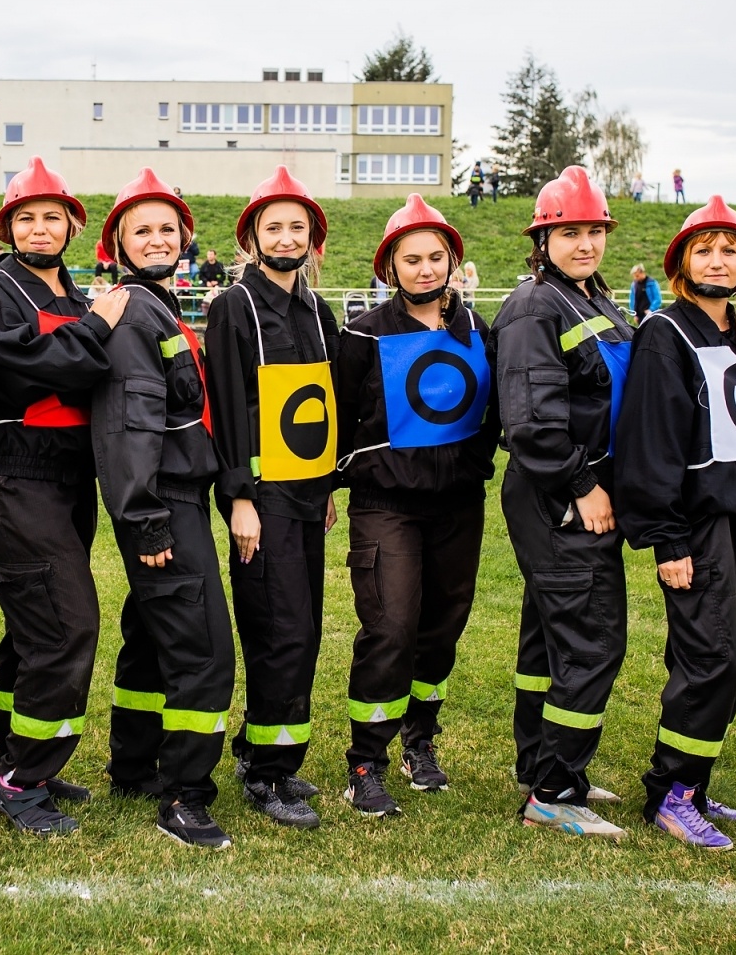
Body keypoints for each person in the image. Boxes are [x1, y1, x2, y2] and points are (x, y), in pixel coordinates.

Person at [616, 196, 736, 850]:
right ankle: (670, 794)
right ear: (681, 264)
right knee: (711, 658)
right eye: (704, 248)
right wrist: (665, 538)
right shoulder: (665, 335)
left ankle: (695, 785)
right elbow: (650, 443)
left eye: (729, 249)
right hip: (697, 527)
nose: (718, 259)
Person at [0, 156, 127, 837]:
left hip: (70, 478)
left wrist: (74, 346)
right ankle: (22, 778)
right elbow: (25, 370)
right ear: (10, 226)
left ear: (71, 224)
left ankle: (14, 756)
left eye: (52, 216)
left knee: (30, 629)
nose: (40, 227)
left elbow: (83, 370)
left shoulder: (70, 292)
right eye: (27, 217)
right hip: (16, 475)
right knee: (68, 626)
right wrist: (91, 335)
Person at [335, 195, 499, 818]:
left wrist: (476, 467)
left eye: (436, 257)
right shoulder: (364, 332)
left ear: (453, 261)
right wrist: (332, 486)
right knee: (391, 626)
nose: (426, 269)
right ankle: (365, 763)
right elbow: (337, 418)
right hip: (386, 504)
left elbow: (492, 415)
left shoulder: (477, 330)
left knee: (442, 627)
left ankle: (420, 741)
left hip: (459, 502)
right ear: (390, 266)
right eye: (412, 259)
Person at [94, 167, 237, 849]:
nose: (157, 238)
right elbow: (131, 423)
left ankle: (133, 764)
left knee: (153, 640)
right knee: (204, 650)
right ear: (118, 244)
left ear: (185, 237)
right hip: (165, 503)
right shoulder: (134, 312)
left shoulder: (158, 305)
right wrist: (146, 517)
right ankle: (185, 795)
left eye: (166, 228)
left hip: (175, 498)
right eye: (140, 229)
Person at [490, 165, 633, 841]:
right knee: (592, 636)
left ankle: (544, 767)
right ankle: (552, 790)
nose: (584, 243)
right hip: (562, 494)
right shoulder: (535, 306)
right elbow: (531, 421)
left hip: (576, 488)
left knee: (550, 636)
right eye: (569, 232)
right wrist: (584, 486)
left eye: (593, 231)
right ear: (542, 239)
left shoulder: (591, 298)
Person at [205, 165, 339, 830]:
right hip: (262, 496)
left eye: (297, 226)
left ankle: (266, 746)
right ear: (252, 237)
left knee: (302, 628)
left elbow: (324, 403)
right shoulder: (235, 306)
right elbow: (226, 405)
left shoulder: (319, 308)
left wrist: (329, 485)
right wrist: (239, 497)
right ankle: (267, 775)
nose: (286, 237)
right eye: (273, 226)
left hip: (308, 494)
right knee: (279, 630)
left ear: (312, 237)